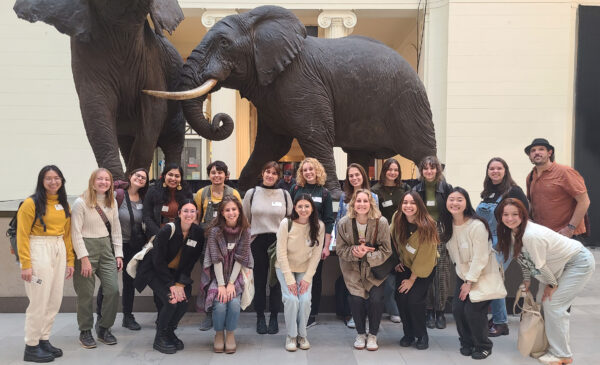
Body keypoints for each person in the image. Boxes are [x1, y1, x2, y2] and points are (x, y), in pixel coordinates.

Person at [496, 198, 595, 365]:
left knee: (553, 304)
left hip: (577, 262)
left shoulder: (531, 235)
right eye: (506, 214)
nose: (510, 218)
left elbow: (540, 265)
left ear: (523, 215)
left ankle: (562, 354)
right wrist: (527, 280)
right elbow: (523, 258)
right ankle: (547, 345)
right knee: (542, 303)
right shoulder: (513, 232)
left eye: (515, 214)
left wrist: (552, 285)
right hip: (556, 266)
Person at [17, 165, 75, 363]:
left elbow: (67, 235)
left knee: (54, 299)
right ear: (42, 181)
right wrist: (26, 264)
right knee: (39, 300)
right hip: (37, 248)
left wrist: (70, 260)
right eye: (48, 178)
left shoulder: (63, 204)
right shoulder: (30, 203)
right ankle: (31, 346)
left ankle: (44, 339)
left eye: (57, 178)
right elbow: (22, 235)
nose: (53, 182)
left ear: (62, 180)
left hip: (58, 247)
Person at [136, 199, 204, 354]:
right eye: (185, 211)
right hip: (154, 272)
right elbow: (157, 260)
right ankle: (159, 338)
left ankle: (169, 332)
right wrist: (171, 285)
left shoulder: (198, 233)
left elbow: (190, 262)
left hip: (177, 275)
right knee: (171, 301)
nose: (189, 214)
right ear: (179, 213)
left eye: (192, 211)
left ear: (196, 214)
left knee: (183, 300)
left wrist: (180, 284)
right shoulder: (168, 229)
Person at [475, 157, 529, 337]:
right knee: (491, 277)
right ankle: (497, 317)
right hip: (488, 241)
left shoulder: (514, 191)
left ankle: (501, 323)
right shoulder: (488, 192)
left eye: (499, 168)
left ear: (505, 170)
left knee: (495, 277)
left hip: (505, 241)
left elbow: (525, 216)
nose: (495, 171)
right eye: (492, 168)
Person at [71, 168, 123, 349]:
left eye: (107, 179)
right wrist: (83, 258)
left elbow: (116, 229)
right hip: (86, 248)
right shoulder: (80, 203)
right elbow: (75, 233)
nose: (103, 182)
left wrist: (118, 254)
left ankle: (104, 328)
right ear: (92, 181)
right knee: (85, 293)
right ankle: (85, 330)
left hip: (106, 249)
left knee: (113, 290)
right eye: (99, 179)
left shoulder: (112, 201)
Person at [441, 187, 495, 360]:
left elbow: (480, 257)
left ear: (466, 202)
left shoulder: (476, 225)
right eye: (451, 199)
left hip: (481, 274)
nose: (455, 203)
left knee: (473, 311)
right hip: (463, 274)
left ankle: (484, 345)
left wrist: (469, 282)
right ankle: (467, 342)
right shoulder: (447, 225)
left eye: (459, 199)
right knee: (457, 309)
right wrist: (464, 278)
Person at [336, 189, 391, 351]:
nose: (361, 204)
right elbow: (340, 249)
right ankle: (360, 333)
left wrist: (366, 254)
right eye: (358, 201)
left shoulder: (381, 222)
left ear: (371, 203)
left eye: (365, 201)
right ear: (353, 203)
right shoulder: (344, 223)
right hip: (352, 269)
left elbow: (387, 250)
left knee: (376, 299)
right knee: (356, 300)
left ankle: (373, 334)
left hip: (374, 270)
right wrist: (354, 252)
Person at [242, 161, 293, 334]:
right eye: (267, 172)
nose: (270, 175)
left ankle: (273, 317)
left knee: (276, 282)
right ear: (262, 173)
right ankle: (260, 318)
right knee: (260, 280)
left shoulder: (285, 195)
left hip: (278, 242)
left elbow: (289, 220)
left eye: (274, 173)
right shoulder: (252, 193)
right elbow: (245, 218)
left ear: (278, 176)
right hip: (257, 242)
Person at [198, 196, 253, 354]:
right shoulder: (215, 232)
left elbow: (241, 259)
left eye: (234, 209)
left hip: (236, 275)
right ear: (222, 212)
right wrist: (221, 285)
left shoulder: (245, 231)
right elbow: (216, 259)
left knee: (234, 304)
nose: (231, 213)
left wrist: (230, 284)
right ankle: (218, 334)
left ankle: (230, 334)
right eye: (227, 210)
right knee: (220, 304)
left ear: (239, 211)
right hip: (217, 276)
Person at [96, 168, 149, 331]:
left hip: (135, 245)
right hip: (115, 244)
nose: (140, 179)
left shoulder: (144, 198)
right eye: (137, 176)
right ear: (130, 177)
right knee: (107, 281)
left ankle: (128, 316)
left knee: (129, 281)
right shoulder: (117, 195)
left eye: (143, 178)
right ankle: (101, 316)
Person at [194, 161, 241, 331]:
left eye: (220, 172)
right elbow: (196, 217)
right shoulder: (202, 193)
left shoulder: (233, 192)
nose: (216, 175)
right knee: (208, 277)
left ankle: (227, 311)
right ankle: (209, 313)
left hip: (229, 240)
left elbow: (239, 215)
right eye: (213, 172)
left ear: (226, 175)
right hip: (207, 242)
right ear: (209, 175)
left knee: (227, 276)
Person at [275, 194, 325, 351]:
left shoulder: (319, 226)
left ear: (312, 208)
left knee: (304, 300)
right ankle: (291, 335)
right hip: (285, 268)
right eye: (300, 206)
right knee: (291, 300)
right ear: (295, 208)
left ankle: (302, 335)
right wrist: (289, 279)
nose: (303, 210)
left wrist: (308, 278)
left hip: (304, 269)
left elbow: (316, 255)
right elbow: (281, 253)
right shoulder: (286, 224)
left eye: (307, 206)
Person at [289, 157, 334, 327]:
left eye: (311, 169)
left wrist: (326, 246)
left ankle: (311, 313)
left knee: (314, 277)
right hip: (297, 242)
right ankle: (298, 309)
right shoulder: (295, 189)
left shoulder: (324, 193)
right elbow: (290, 215)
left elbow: (329, 221)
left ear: (317, 171)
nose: (308, 172)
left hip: (316, 243)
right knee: (297, 275)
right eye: (304, 170)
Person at [143, 164, 192, 318]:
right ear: (164, 175)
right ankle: (161, 313)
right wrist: (160, 235)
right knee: (161, 274)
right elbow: (147, 216)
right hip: (159, 237)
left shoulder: (185, 191)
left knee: (176, 272)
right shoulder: (153, 191)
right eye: (170, 175)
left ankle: (173, 312)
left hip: (179, 238)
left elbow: (191, 211)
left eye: (177, 176)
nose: (173, 178)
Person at [391, 191, 439, 350]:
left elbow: (424, 257)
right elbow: (391, 239)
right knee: (401, 298)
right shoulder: (397, 218)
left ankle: (421, 334)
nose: (408, 206)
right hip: (405, 264)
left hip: (424, 267)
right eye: (405, 202)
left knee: (414, 301)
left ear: (419, 205)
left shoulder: (428, 225)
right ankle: (408, 333)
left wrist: (412, 280)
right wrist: (396, 260)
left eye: (412, 203)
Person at [335, 163, 380, 328]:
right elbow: (339, 221)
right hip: (348, 248)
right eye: (351, 176)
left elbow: (376, 222)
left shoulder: (373, 197)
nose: (354, 178)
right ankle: (354, 316)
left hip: (366, 248)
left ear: (363, 176)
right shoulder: (344, 197)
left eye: (357, 175)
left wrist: (368, 246)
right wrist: (338, 244)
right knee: (351, 282)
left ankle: (367, 317)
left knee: (367, 282)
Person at [413, 156, 452, 329]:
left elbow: (453, 210)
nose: (429, 171)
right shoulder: (416, 189)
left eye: (432, 168)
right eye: (426, 168)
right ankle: (428, 310)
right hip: (423, 233)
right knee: (426, 272)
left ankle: (440, 311)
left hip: (442, 232)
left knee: (442, 274)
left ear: (438, 169)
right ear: (421, 171)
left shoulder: (446, 188)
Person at [524, 138, 590, 238]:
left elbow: (584, 201)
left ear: (549, 153)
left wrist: (570, 228)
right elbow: (530, 202)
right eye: (533, 151)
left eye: (541, 149)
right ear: (530, 156)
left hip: (565, 235)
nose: (536, 152)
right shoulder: (531, 177)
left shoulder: (565, 172)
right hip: (542, 235)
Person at [372, 157, 410, 324]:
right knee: (388, 275)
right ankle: (392, 309)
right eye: (390, 169)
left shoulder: (405, 188)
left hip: (404, 235)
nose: (393, 173)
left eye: (396, 170)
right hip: (384, 236)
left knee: (402, 272)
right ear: (384, 171)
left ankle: (401, 307)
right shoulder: (376, 190)